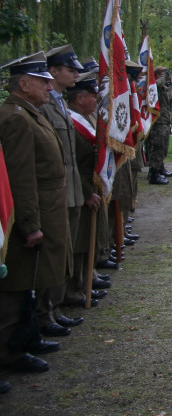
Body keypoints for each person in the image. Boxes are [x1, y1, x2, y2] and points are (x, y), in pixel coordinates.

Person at [0, 52, 68, 376]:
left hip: (46, 206)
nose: (49, 86)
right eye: (43, 81)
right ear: (24, 84)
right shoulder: (15, 117)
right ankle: (9, 353)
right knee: (16, 286)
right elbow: (19, 176)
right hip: (29, 212)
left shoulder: (30, 113)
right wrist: (29, 225)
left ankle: (26, 339)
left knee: (30, 280)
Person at [39, 45, 85, 335]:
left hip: (69, 189)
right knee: (53, 253)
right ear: (53, 71)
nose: (76, 73)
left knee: (64, 250)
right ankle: (46, 312)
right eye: (70, 69)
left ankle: (55, 306)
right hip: (53, 193)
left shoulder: (57, 104)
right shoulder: (43, 107)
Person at [65, 73, 106, 309]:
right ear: (80, 98)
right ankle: (74, 287)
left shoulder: (85, 117)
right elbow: (68, 161)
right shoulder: (73, 119)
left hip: (87, 184)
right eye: (92, 95)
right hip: (78, 187)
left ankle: (83, 281)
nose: (96, 100)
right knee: (78, 240)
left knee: (83, 238)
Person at [145, 66, 172, 185]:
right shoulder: (153, 87)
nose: (166, 76)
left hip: (165, 121)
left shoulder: (163, 89)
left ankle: (160, 168)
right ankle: (154, 173)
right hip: (158, 123)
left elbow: (169, 101)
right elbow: (154, 86)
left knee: (163, 148)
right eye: (163, 74)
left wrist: (170, 85)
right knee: (157, 147)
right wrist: (162, 78)